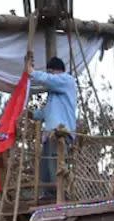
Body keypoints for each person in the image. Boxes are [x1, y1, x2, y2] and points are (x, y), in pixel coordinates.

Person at [26, 54, 78, 201]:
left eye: (50, 72)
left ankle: (58, 194)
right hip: (51, 134)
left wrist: (32, 72)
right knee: (46, 166)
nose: (49, 76)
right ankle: (49, 194)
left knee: (55, 163)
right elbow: (46, 112)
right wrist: (32, 114)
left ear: (56, 71)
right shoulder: (54, 94)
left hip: (60, 133)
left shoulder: (66, 80)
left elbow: (49, 79)